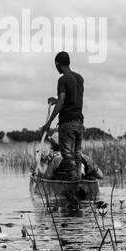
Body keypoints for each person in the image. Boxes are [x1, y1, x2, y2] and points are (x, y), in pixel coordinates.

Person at [39, 51, 101, 181]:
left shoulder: (62, 79)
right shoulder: (79, 78)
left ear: (57, 64)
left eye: (56, 65)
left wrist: (49, 122)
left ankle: (74, 184)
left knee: (67, 155)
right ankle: (78, 179)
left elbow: (62, 100)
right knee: (77, 154)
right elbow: (72, 98)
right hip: (79, 122)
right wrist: (56, 100)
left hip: (67, 123)